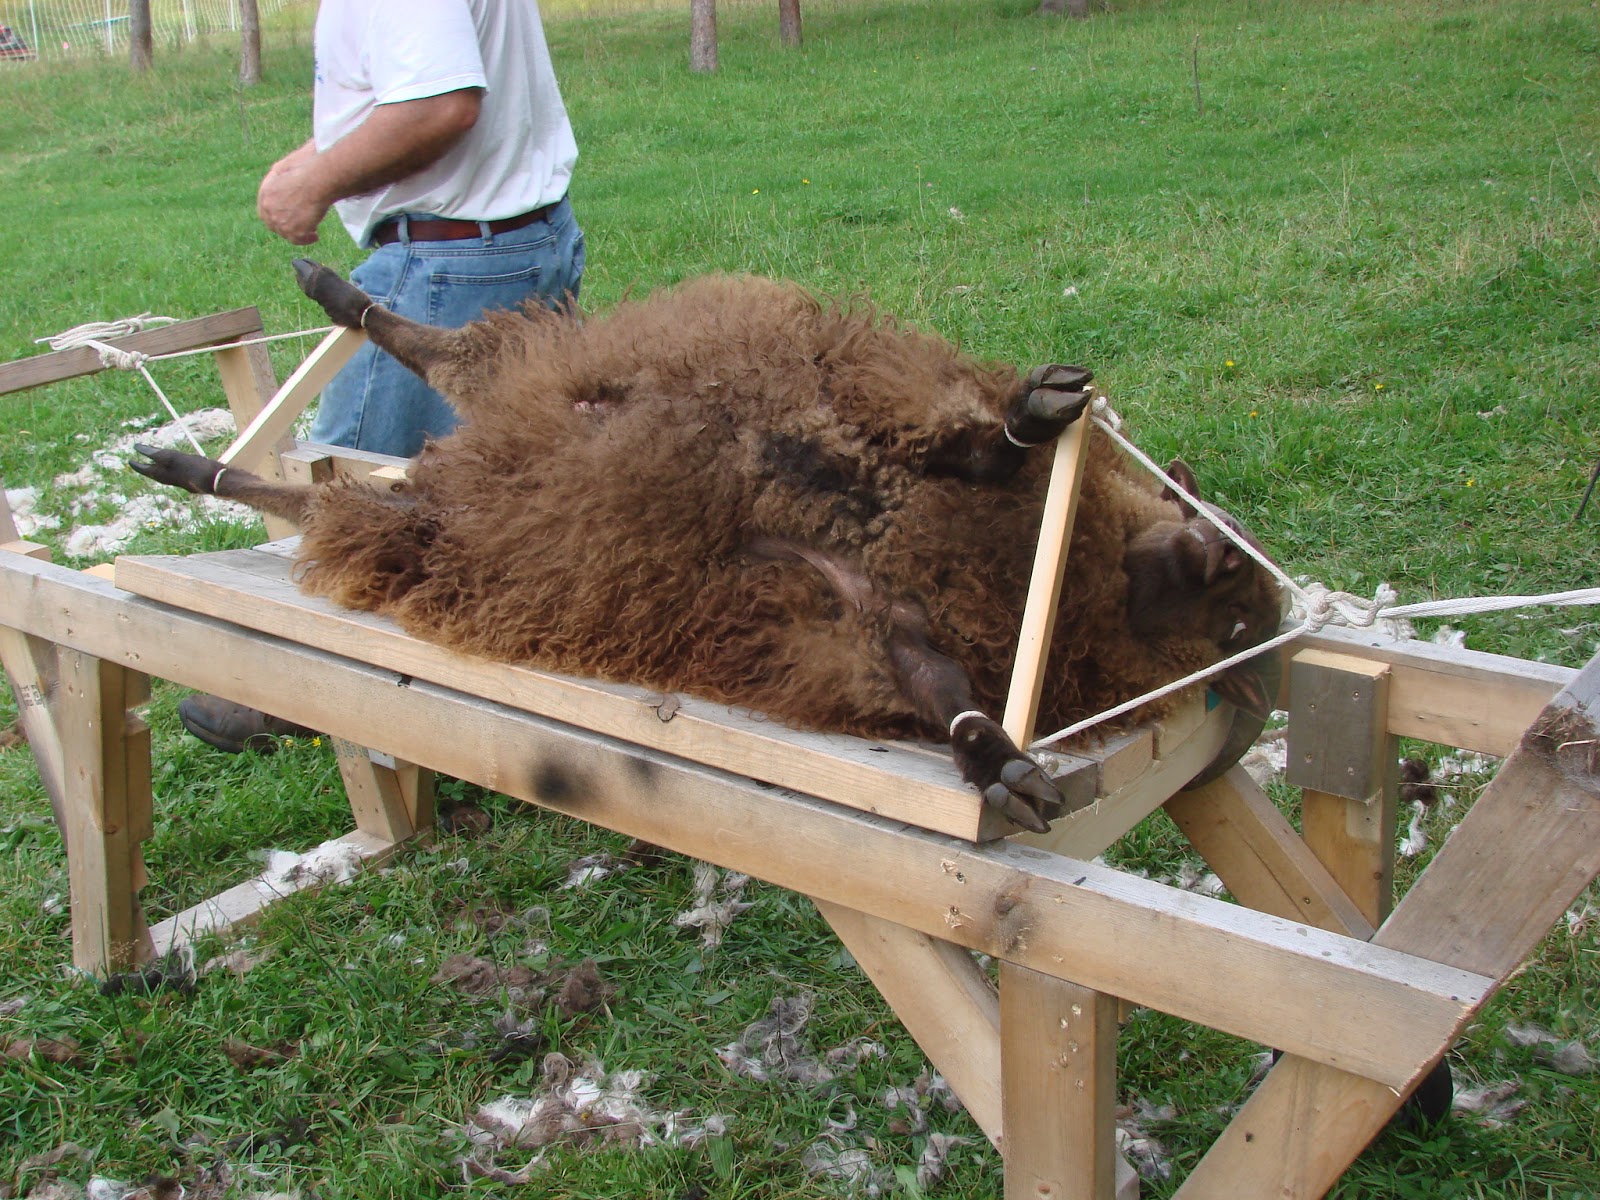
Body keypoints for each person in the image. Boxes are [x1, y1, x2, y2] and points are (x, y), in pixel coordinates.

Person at [179, 0, 585, 754]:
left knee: (353, 496)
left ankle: (296, 686)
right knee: (511, 494)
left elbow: (442, 104)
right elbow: (418, 81)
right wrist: (321, 151)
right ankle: (441, 704)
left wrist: (320, 179)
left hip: (449, 258)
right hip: (507, 236)